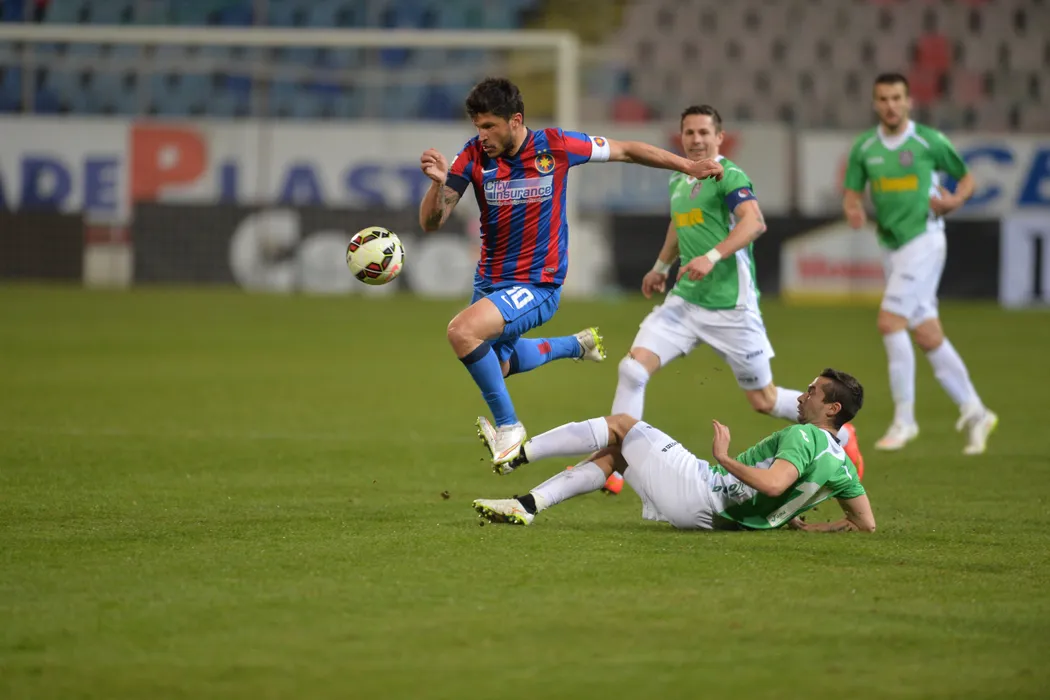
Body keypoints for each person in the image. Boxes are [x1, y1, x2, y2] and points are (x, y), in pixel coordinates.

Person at [419, 77, 725, 468]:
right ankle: (575, 345)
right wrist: (438, 186)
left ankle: (509, 427)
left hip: (537, 284)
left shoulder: (556, 146)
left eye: (490, 126)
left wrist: (688, 166)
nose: (483, 136)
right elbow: (432, 222)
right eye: (478, 127)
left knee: (462, 331)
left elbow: (626, 150)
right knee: (497, 366)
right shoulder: (473, 155)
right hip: (489, 281)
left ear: (515, 120)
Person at [601, 104, 864, 496]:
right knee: (633, 370)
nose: (696, 139)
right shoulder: (679, 178)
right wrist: (660, 266)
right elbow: (678, 223)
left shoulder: (730, 176)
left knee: (763, 399)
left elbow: (754, 222)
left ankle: (843, 434)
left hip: (732, 309)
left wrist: (711, 256)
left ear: (719, 137)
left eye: (704, 132)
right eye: (689, 132)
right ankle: (615, 463)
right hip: (684, 304)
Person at [472, 368, 875, 533]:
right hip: (719, 520)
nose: (802, 396)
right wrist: (800, 522)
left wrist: (724, 458)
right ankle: (527, 505)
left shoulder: (803, 436)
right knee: (618, 451)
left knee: (622, 424)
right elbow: (864, 523)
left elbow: (773, 484)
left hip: (705, 491)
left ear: (832, 409)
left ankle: (515, 454)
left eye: (812, 392)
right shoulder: (842, 464)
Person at [842, 72, 997, 455]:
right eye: (883, 99)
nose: (891, 105)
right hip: (892, 246)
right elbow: (851, 192)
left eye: (897, 98)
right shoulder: (864, 147)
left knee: (889, 322)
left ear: (909, 101)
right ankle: (976, 411)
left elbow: (967, 179)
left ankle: (905, 420)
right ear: (875, 103)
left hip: (925, 239)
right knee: (926, 333)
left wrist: (954, 201)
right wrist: (853, 208)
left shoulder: (930, 141)